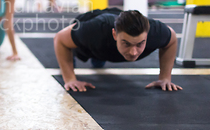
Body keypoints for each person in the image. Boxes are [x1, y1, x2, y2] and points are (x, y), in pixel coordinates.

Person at [54, 8, 182, 92]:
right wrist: (70, 79)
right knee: (79, 52)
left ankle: (99, 58)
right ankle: (93, 57)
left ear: (147, 35)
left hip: (106, 45)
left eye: (139, 44)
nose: (133, 52)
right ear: (115, 34)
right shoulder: (94, 29)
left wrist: (165, 78)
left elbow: (172, 40)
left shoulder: (156, 32)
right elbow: (60, 39)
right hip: (92, 41)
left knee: (100, 58)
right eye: (126, 44)